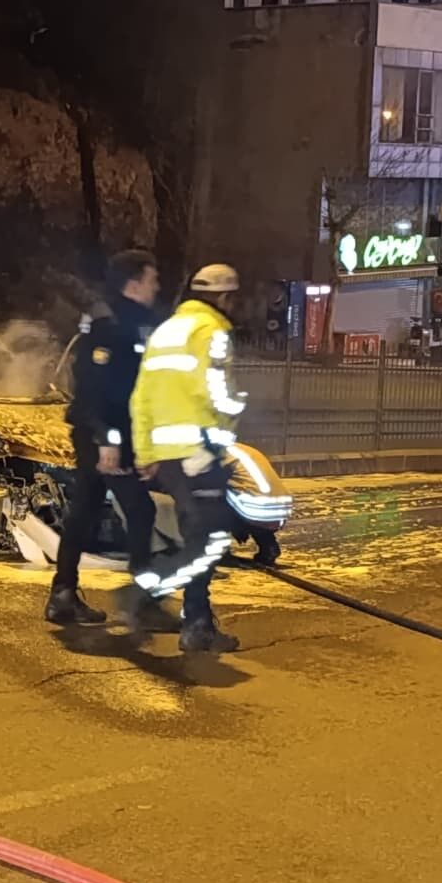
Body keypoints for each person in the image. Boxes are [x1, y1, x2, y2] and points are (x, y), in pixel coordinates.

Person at [124, 264, 248, 653]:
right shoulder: (213, 333)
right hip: (199, 451)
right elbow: (217, 393)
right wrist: (232, 420)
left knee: (200, 537)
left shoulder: (165, 331)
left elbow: (140, 397)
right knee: (209, 541)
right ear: (225, 298)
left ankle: (196, 624)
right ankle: (147, 593)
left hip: (167, 456)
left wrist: (145, 452)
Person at [45, 250, 163, 626]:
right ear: (134, 283)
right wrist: (108, 440)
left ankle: (63, 594)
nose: (156, 286)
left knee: (85, 512)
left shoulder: (134, 321)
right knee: (141, 510)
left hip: (111, 436)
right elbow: (93, 391)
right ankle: (142, 602)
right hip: (101, 436)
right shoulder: (109, 324)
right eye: (151, 279)